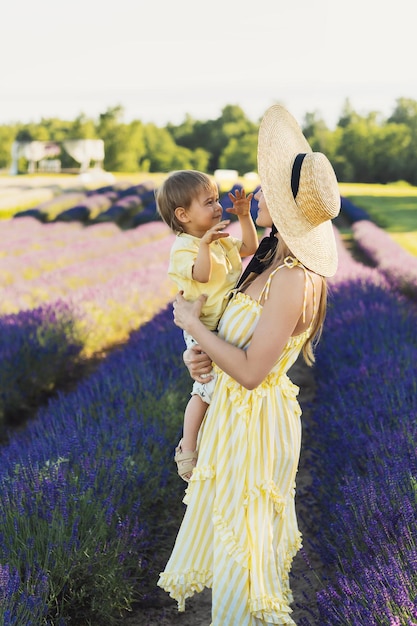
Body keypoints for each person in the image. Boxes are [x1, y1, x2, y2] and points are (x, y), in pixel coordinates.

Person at [157, 104, 341, 625]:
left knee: (246, 555)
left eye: (267, 191)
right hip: (233, 418)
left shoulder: (290, 278)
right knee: (234, 551)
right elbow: (231, 342)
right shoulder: (266, 259)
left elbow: (253, 370)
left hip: (256, 424)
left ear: (286, 208)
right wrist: (201, 354)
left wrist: (192, 326)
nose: (254, 195)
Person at [156, 170, 258, 481]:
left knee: (222, 388)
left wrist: (243, 216)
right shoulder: (184, 248)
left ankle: (217, 444)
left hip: (222, 324)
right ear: (183, 215)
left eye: (217, 200)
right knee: (203, 389)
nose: (216, 207)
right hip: (201, 326)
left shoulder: (219, 240)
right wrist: (204, 246)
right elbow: (200, 276)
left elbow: (251, 247)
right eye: (208, 202)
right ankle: (187, 448)